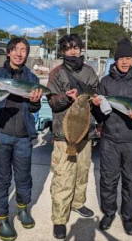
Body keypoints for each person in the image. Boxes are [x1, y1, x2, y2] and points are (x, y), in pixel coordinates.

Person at [0, 37, 42, 241]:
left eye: (23, 50)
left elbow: (35, 108)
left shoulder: (32, 78)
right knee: (2, 178)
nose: (19, 53)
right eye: (15, 49)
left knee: (24, 176)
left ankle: (23, 208)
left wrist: (35, 102)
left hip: (24, 136)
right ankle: (2, 217)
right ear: (8, 52)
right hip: (0, 135)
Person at [94, 37, 132, 236]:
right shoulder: (105, 82)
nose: (124, 62)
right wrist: (95, 106)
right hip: (110, 139)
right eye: (121, 58)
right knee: (108, 179)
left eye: (128, 58)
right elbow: (98, 115)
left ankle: (128, 217)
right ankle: (109, 212)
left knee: (131, 181)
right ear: (115, 59)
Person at [47, 34, 99, 239]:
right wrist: (64, 98)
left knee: (82, 172)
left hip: (85, 132)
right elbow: (52, 102)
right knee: (63, 177)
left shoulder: (89, 71)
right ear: (62, 52)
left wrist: (94, 99)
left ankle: (77, 203)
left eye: (76, 48)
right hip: (64, 135)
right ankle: (59, 219)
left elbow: (96, 92)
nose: (73, 52)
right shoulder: (57, 73)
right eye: (69, 49)